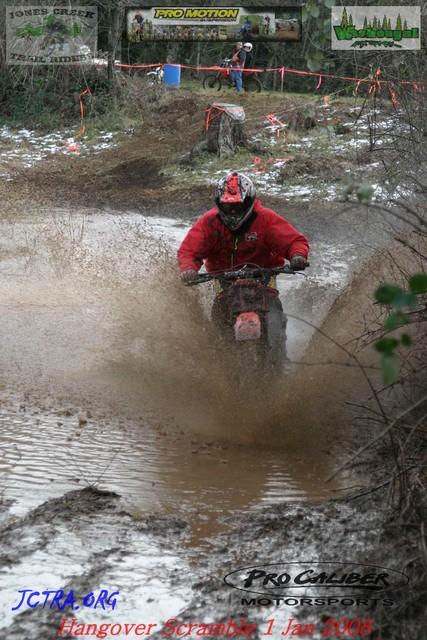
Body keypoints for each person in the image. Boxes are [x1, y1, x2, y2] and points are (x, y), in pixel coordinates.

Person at [177, 172, 309, 337]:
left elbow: (294, 241)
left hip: (264, 280)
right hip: (224, 282)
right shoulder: (209, 222)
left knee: (275, 318)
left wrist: (298, 255)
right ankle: (217, 354)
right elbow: (189, 251)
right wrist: (188, 269)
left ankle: (278, 358)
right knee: (218, 324)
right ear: (219, 203)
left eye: (238, 206)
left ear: (249, 202)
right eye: (227, 206)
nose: (232, 211)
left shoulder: (265, 218)